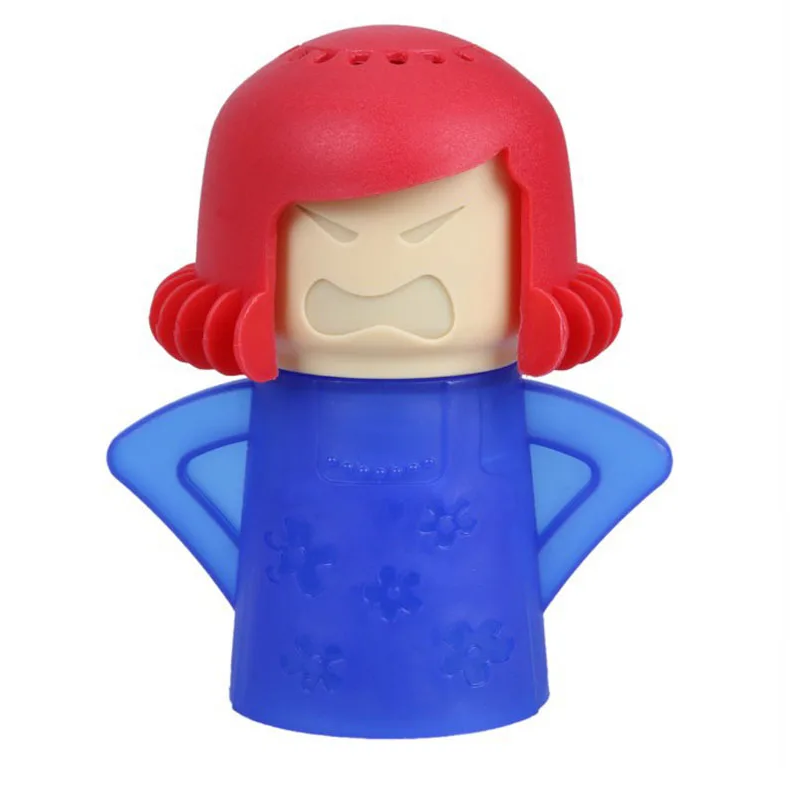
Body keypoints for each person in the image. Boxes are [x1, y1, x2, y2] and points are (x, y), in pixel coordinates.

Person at [109, 25, 671, 738]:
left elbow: (162, 457)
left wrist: (526, 567)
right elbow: (620, 461)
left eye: (427, 232)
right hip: (304, 682)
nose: (375, 269)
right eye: (332, 232)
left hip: (477, 689)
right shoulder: (258, 407)